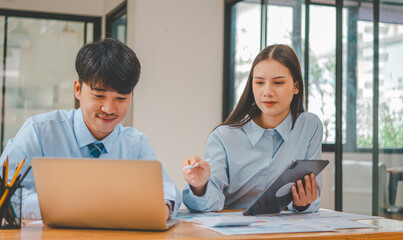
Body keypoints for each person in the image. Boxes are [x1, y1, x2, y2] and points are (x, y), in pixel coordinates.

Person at [0, 38, 181, 220]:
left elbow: (167, 192)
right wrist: (73, 206)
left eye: (121, 99)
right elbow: (4, 193)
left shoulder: (136, 144)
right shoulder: (40, 131)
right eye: (99, 96)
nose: (109, 109)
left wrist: (161, 208)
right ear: (78, 89)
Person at [182, 44, 323, 213]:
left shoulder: (309, 126)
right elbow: (211, 200)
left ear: (296, 87)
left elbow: (313, 197)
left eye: (278, 82)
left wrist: (303, 204)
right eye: (259, 83)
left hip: (286, 230)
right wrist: (200, 186)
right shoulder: (224, 136)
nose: (267, 91)